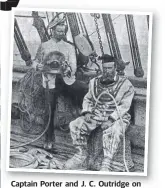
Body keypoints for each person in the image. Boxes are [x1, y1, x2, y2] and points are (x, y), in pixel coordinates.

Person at [64, 54, 135, 171]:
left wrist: (111, 119)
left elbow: (124, 106)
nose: (107, 71)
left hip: (117, 117)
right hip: (97, 114)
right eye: (105, 68)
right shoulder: (94, 82)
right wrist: (87, 112)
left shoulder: (125, 85)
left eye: (110, 68)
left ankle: (107, 162)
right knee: (76, 124)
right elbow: (88, 99)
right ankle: (81, 155)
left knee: (114, 130)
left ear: (115, 68)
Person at [33, 16, 87, 150]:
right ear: (52, 31)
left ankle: (83, 126)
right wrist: (38, 67)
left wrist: (66, 68)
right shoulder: (44, 46)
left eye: (63, 32)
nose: (61, 34)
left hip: (66, 81)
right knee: (49, 109)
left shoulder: (69, 47)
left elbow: (73, 67)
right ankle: (49, 139)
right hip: (49, 82)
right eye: (58, 32)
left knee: (85, 89)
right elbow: (35, 62)